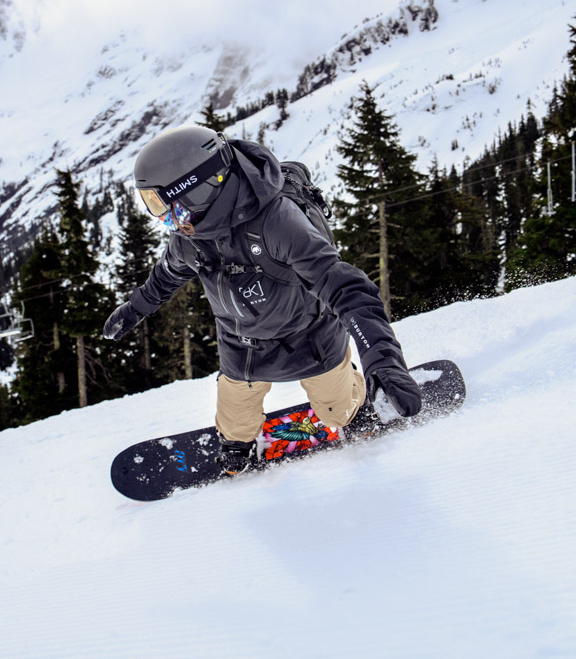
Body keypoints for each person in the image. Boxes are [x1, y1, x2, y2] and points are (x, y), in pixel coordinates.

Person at [103, 124, 423, 475]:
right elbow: (168, 274)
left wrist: (382, 357)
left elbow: (346, 288)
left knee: (338, 410)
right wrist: (136, 309)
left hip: (311, 338)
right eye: (153, 205)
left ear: (196, 191)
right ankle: (238, 442)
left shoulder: (277, 222)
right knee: (234, 423)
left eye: (163, 203)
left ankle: (356, 401)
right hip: (242, 347)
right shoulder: (189, 235)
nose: (164, 219)